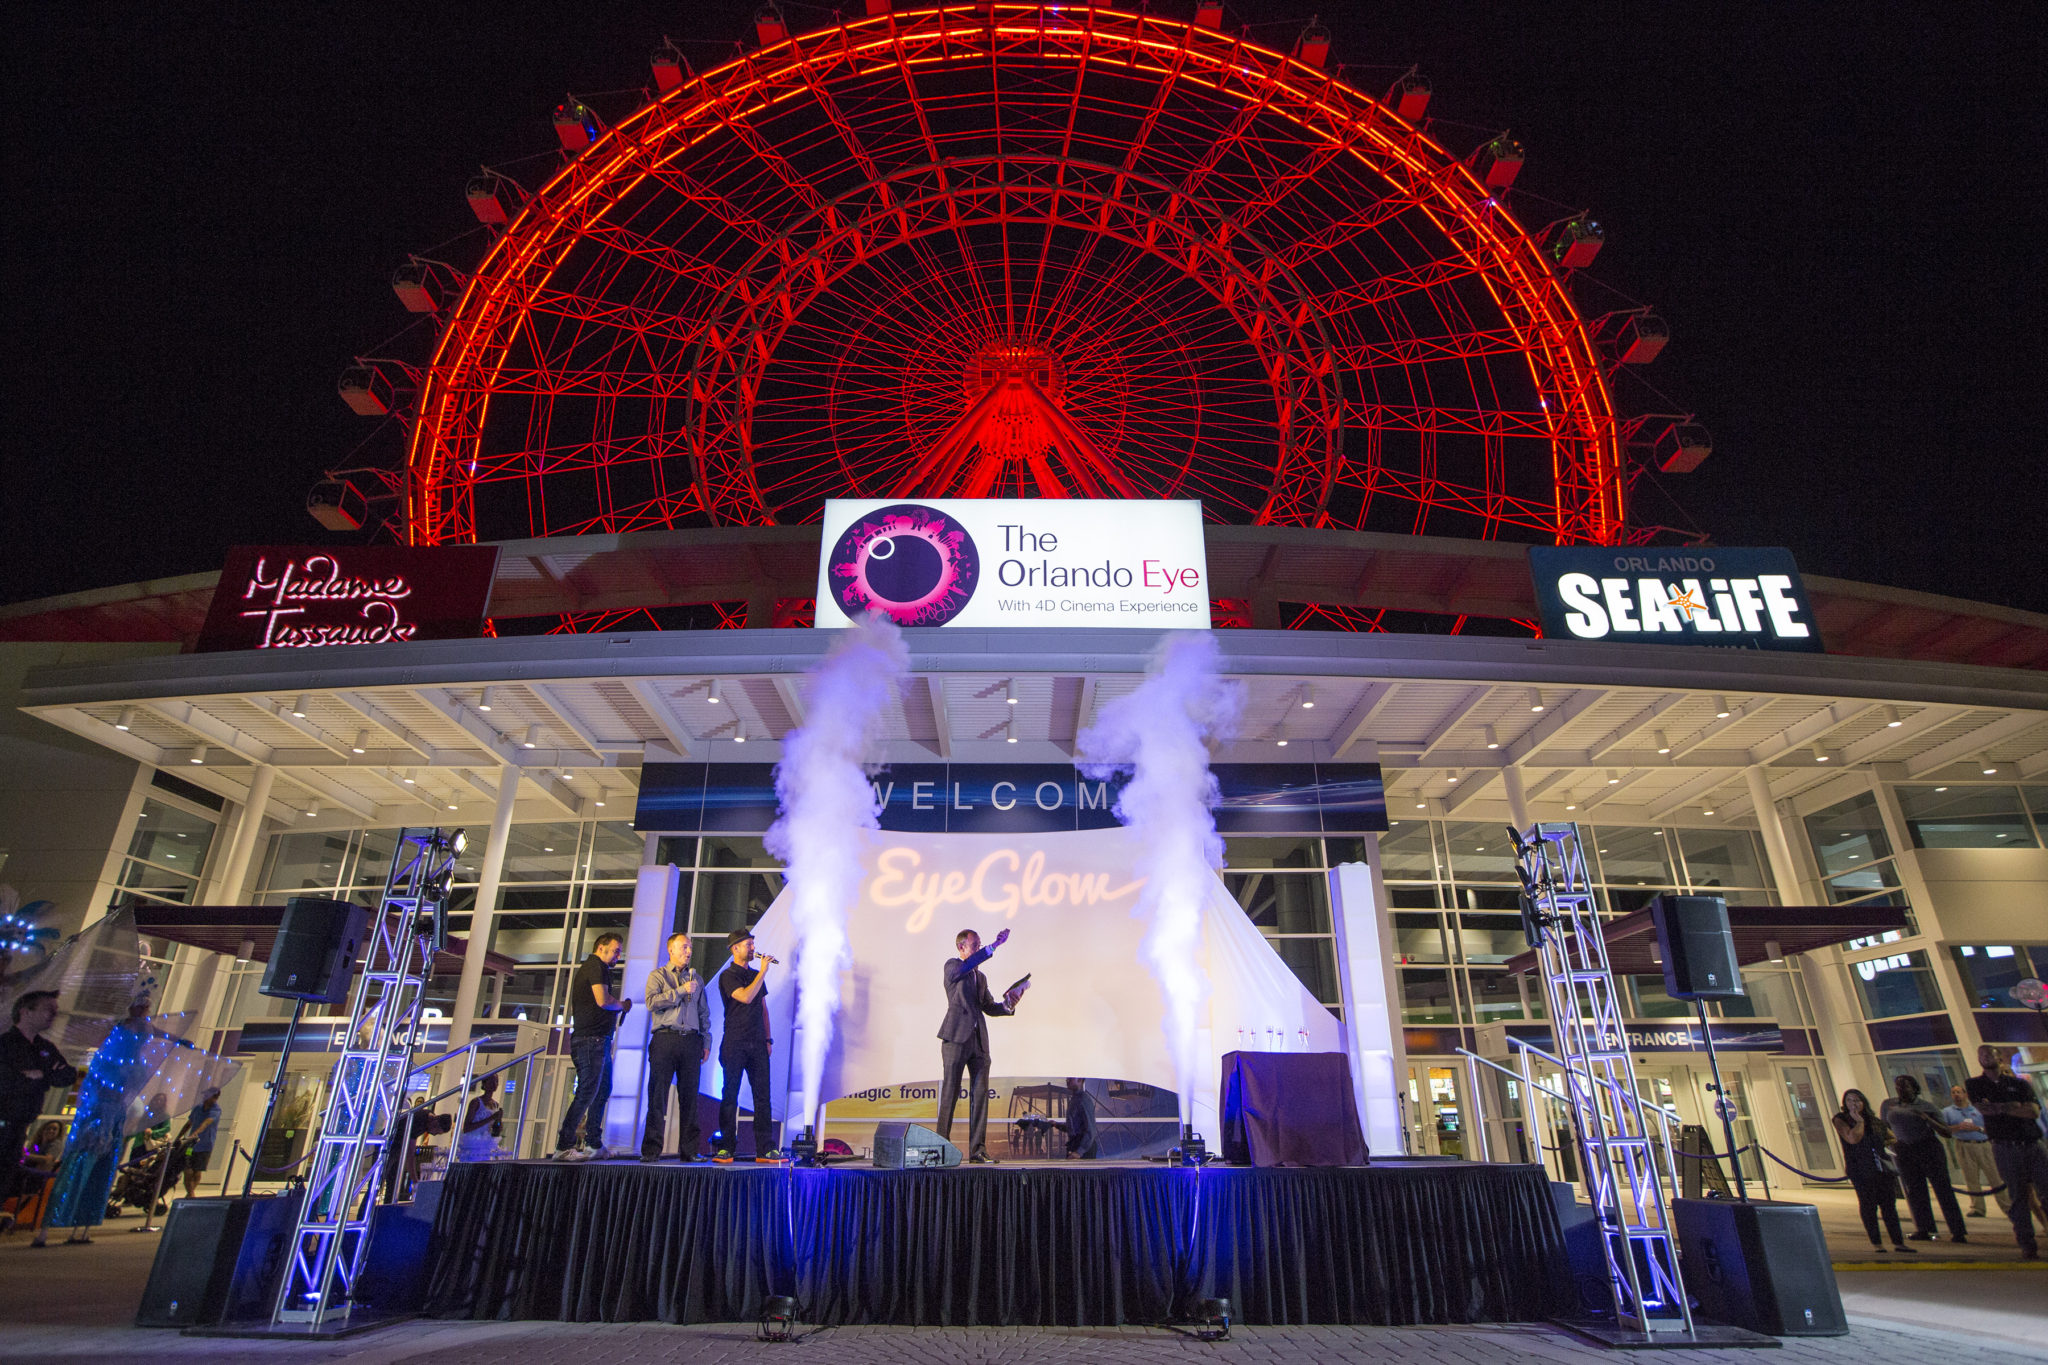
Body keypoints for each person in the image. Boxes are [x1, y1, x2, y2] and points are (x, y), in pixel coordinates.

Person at [36, 995, 158, 1246]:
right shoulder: (114, 1054)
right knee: (76, 1169)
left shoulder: (133, 1055)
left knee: (101, 1171)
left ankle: (82, 1227)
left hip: (113, 1114)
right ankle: (52, 1226)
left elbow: (156, 1035)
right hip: (98, 1115)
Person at [937, 927, 1029, 1164]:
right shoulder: (952, 967)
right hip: (956, 1038)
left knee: (980, 1097)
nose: (978, 949)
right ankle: (941, 1149)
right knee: (950, 1093)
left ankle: (977, 1151)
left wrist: (1009, 1004)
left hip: (979, 1044)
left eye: (979, 945)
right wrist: (994, 946)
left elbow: (989, 1006)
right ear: (961, 947)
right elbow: (963, 968)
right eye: (975, 945)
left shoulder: (981, 977)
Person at [0, 990, 76, 1233]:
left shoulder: (44, 1048)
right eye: (47, 1009)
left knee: (8, 1170)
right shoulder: (6, 1044)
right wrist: (37, 1077)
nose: (53, 1015)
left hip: (21, 1122)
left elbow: (66, 1074)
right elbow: (7, 1080)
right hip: (3, 1117)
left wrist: (40, 1076)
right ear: (26, 1011)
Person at [1966, 1044, 2048, 1261]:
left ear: (1999, 1057)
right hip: (2005, 1147)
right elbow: (1984, 1109)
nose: (1984, 1057)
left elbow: (2032, 1111)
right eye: (1980, 1054)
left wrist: (1998, 1107)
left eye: (1989, 1053)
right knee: (2018, 1197)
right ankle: (2027, 1245)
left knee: (2046, 1193)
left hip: (2032, 1144)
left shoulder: (2018, 1083)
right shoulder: (1975, 1085)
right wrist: (2011, 1106)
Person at [554, 931, 631, 1161]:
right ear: (601, 948)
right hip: (591, 1040)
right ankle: (564, 1146)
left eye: (619, 951)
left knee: (602, 1090)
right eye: (616, 950)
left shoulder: (599, 968)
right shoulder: (595, 966)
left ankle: (594, 1144)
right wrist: (622, 1005)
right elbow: (603, 1000)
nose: (618, 955)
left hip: (599, 1040)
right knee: (588, 1091)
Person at [713, 928, 781, 1163]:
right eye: (748, 945)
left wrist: (768, 1039)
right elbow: (745, 997)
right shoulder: (727, 976)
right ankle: (726, 1147)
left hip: (758, 1043)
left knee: (763, 1095)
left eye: (753, 944)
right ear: (735, 949)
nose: (753, 948)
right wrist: (762, 972)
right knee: (730, 1094)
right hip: (735, 1042)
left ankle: (765, 1148)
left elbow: (762, 1008)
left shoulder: (756, 974)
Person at [641, 932, 709, 1163]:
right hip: (664, 1039)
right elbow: (652, 1002)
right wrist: (680, 991)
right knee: (657, 1095)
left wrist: (705, 1041)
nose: (688, 952)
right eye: (684, 947)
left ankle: (689, 1151)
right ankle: (651, 1151)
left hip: (691, 1040)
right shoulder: (658, 976)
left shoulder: (696, 980)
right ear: (671, 950)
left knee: (690, 1098)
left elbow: (703, 1013)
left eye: (690, 948)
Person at [1879, 1073, 1967, 1243]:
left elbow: (1946, 1132)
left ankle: (1957, 1230)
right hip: (1904, 1149)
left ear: (1914, 1088)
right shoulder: (1888, 1105)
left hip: (1927, 1147)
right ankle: (1924, 1228)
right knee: (1914, 1190)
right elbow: (1885, 1126)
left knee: (1943, 1190)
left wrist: (1926, 1119)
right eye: (1898, 1085)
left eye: (1905, 1085)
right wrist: (1891, 1145)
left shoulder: (1927, 1106)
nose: (1901, 1088)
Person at [1832, 1088, 1912, 1254]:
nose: (1853, 1104)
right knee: (1868, 1205)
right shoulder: (1841, 1119)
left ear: (1863, 1102)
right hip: (1860, 1168)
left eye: (1857, 1100)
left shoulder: (1875, 1121)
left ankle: (1898, 1242)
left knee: (1889, 1205)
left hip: (1881, 1167)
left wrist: (1884, 1146)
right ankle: (1877, 1243)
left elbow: (1891, 1137)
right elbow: (1853, 1138)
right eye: (1849, 1101)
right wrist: (1859, 1122)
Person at [1943, 1082, 2003, 1220]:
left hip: (1983, 1144)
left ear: (1966, 1094)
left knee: (1995, 1176)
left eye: (1959, 1092)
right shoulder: (1947, 1112)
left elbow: (1991, 1128)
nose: (1956, 1095)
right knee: (1971, 1178)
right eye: (1953, 1092)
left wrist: (1977, 1129)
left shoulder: (1978, 1110)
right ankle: (1977, 1208)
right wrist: (1958, 1127)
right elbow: (1944, 1129)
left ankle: (2006, 1204)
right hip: (1963, 1145)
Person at [174, 1087, 221, 1199]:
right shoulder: (198, 1108)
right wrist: (179, 1136)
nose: (205, 1098)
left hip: (205, 1144)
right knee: (187, 1169)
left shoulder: (215, 1110)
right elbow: (189, 1122)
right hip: (191, 1145)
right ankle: (191, 1194)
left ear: (215, 1098)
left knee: (197, 1170)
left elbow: (206, 1123)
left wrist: (195, 1133)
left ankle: (190, 1193)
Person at [456, 1075, 503, 1163]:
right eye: (491, 1081)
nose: (494, 1084)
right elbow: (467, 1127)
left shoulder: (495, 1104)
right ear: (484, 1084)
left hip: (486, 1143)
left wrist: (499, 1120)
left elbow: (496, 1130)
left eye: (496, 1081)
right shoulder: (476, 1102)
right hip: (473, 1142)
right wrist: (490, 1118)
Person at [1064, 1077, 1099, 1160]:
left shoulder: (1083, 1100)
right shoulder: (1075, 1099)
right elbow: (1075, 1128)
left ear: (1079, 1079)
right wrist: (1056, 1125)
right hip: (1077, 1145)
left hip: (1084, 1149)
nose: (1067, 1080)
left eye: (1071, 1078)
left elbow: (1091, 1130)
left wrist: (1079, 1152)